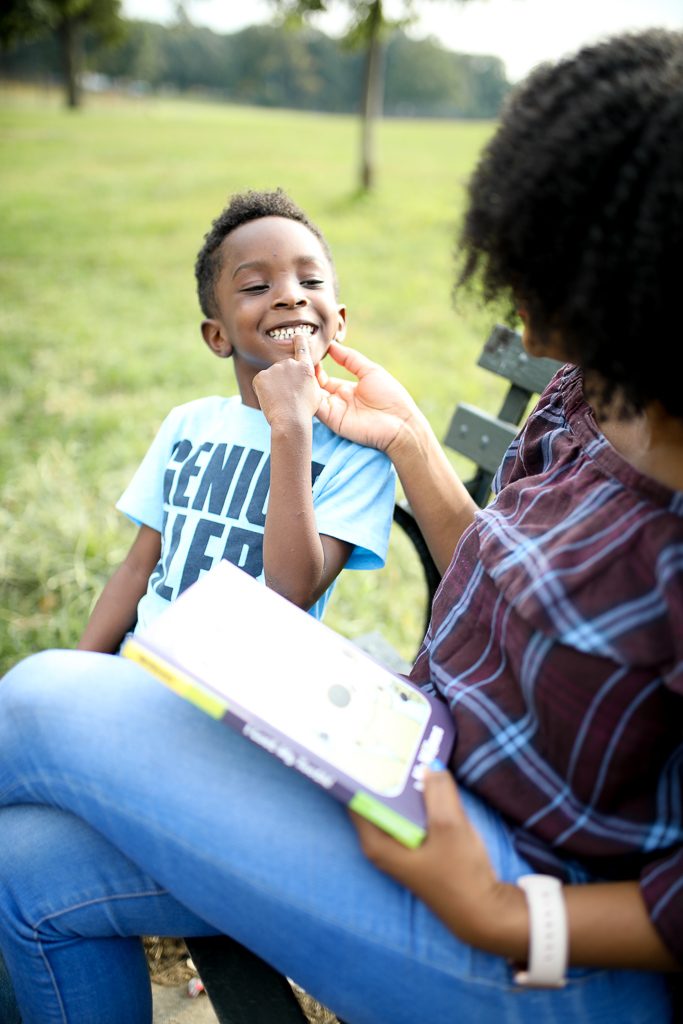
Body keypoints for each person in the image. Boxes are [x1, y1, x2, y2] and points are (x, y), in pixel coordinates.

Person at [0, 27, 681, 1024]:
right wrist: (406, 436)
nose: (514, 301)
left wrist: (504, 914)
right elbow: (495, 577)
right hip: (409, 771)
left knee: (39, 695)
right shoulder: (587, 398)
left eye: (543, 262)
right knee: (25, 873)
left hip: (544, 924)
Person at [78, 188, 396, 652]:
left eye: (310, 282)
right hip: (141, 666)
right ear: (217, 335)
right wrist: (82, 669)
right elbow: (136, 569)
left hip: (244, 697)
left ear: (340, 321)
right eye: (255, 287)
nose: (290, 296)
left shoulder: (360, 456)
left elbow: (290, 593)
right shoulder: (189, 425)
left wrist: (290, 425)